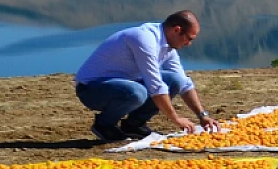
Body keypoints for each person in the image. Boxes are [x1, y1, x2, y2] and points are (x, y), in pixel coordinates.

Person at [74, 11, 219, 141]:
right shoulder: (144, 39)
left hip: (125, 84)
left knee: (175, 80)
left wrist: (202, 116)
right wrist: (176, 119)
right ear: (177, 30)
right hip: (91, 89)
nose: (189, 44)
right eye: (189, 38)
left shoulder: (168, 48)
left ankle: (134, 125)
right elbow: (155, 85)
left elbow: (184, 84)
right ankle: (104, 125)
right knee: (137, 92)